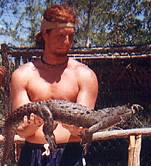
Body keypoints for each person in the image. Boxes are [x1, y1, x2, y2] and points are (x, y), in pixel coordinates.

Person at [11, 5, 98, 166]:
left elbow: (84, 131)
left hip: (70, 156)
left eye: (70, 36)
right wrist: (32, 125)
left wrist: (77, 129)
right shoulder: (23, 76)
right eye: (60, 35)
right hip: (32, 157)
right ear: (45, 34)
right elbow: (21, 131)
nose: (66, 42)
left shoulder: (85, 75)